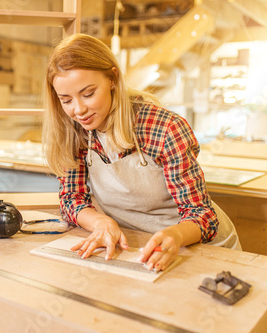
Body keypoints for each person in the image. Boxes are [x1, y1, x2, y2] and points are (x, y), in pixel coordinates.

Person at [43, 33, 241, 272]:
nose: (79, 110)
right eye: (66, 100)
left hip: (200, 246)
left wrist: (175, 235)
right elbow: (71, 199)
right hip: (138, 244)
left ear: (113, 79)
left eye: (88, 94)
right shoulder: (73, 131)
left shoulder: (164, 127)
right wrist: (100, 222)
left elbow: (202, 215)